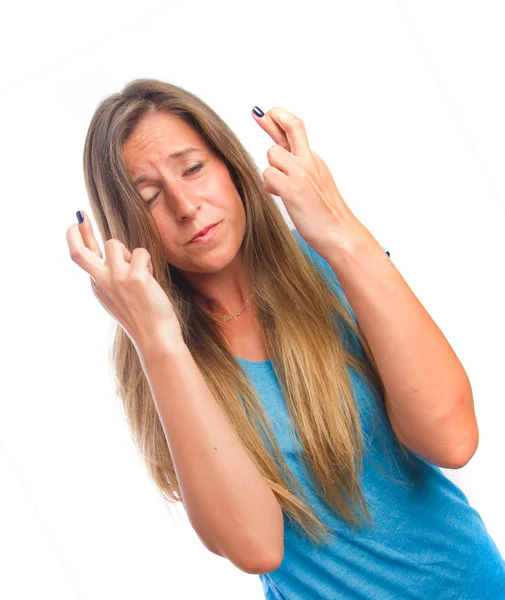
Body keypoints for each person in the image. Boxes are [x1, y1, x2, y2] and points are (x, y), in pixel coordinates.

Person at [66, 78, 505, 598]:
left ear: (231, 166)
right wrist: (160, 343)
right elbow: (256, 547)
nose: (186, 206)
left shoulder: (329, 261)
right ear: (128, 227)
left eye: (193, 168)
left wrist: (340, 231)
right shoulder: (156, 353)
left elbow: (451, 440)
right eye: (151, 197)